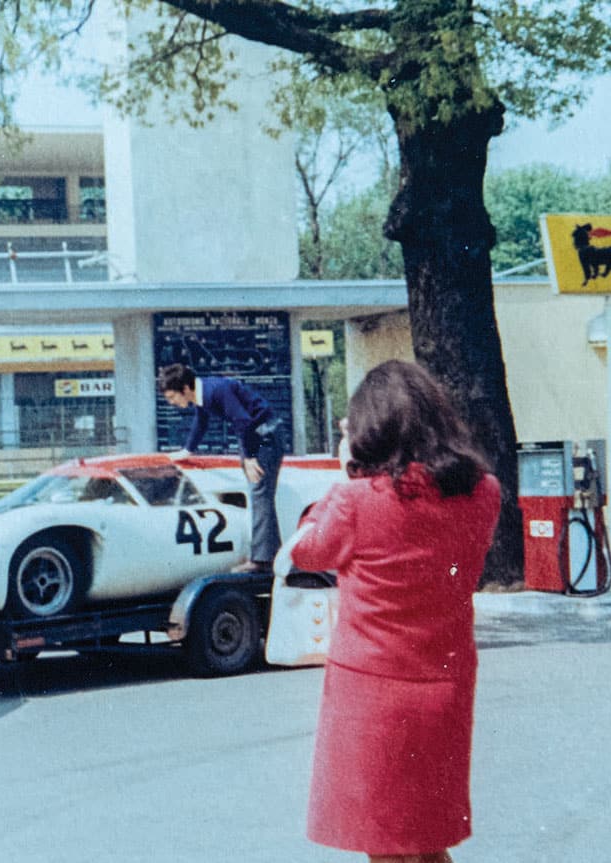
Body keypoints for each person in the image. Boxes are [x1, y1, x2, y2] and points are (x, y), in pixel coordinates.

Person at [288, 360, 501, 863]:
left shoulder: (356, 501)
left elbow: (305, 551)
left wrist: (345, 471)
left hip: (370, 691)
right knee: (428, 842)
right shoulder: (483, 493)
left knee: (384, 844)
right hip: (446, 685)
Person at [157, 363, 282, 572]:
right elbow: (201, 422)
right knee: (262, 495)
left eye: (172, 397)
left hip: (264, 435)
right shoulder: (203, 392)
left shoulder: (215, 391)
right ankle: (272, 554)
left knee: (259, 492)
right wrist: (187, 451)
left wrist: (250, 457)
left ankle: (261, 561)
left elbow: (242, 420)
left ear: (185, 389)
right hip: (256, 435)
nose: (172, 403)